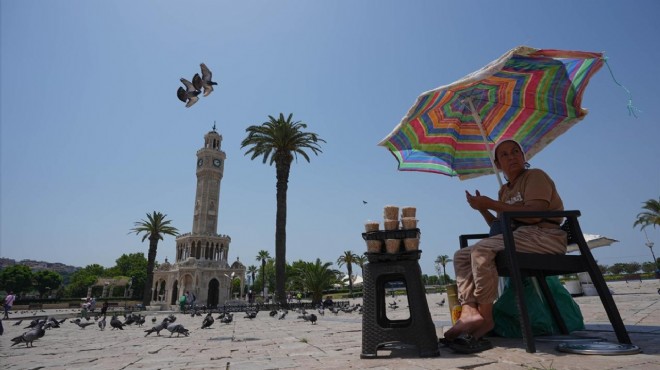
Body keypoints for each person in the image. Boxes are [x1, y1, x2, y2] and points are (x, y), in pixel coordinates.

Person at [443, 139, 566, 349]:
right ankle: (469, 311)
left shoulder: (535, 176)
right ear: (498, 165)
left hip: (544, 236)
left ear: (523, 156)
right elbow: (499, 226)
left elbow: (535, 215)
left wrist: (491, 203)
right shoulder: (504, 191)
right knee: (462, 255)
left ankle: (485, 317)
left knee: (482, 249)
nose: (512, 157)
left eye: (515, 152)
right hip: (517, 237)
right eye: (505, 155)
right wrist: (483, 208)